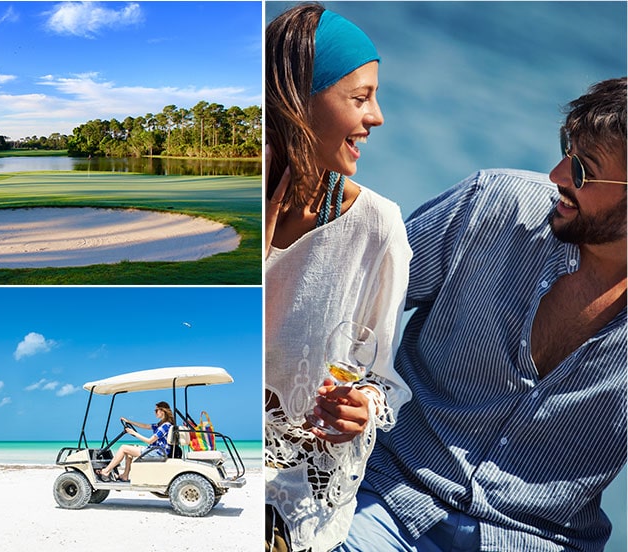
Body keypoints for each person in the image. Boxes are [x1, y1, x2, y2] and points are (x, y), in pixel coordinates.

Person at [334, 77, 627, 551]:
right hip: (386, 498)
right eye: (566, 151)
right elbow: (346, 307)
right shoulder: (489, 204)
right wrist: (362, 392)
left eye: (583, 170)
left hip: (538, 540)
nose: (556, 175)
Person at [265, 4, 412, 551]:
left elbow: (380, 381)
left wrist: (361, 408)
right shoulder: (230, 216)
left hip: (295, 503)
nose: (377, 117)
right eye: (359, 97)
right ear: (296, 100)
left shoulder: (378, 228)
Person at [96, 401, 174, 483]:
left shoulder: (165, 426)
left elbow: (150, 441)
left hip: (157, 453)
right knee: (129, 449)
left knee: (123, 448)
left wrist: (134, 433)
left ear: (162, 411)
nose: (155, 413)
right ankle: (125, 475)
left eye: (156, 410)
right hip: (155, 450)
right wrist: (129, 422)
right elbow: (146, 426)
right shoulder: (161, 424)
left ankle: (106, 471)